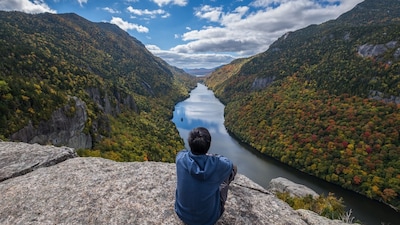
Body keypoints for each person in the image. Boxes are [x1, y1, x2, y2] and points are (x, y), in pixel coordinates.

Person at [175, 127, 237, 225]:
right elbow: (229, 164)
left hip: (182, 214)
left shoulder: (180, 158)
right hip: (208, 220)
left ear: (190, 143)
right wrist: (210, 156)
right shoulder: (218, 165)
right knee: (232, 170)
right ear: (209, 145)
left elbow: (184, 152)